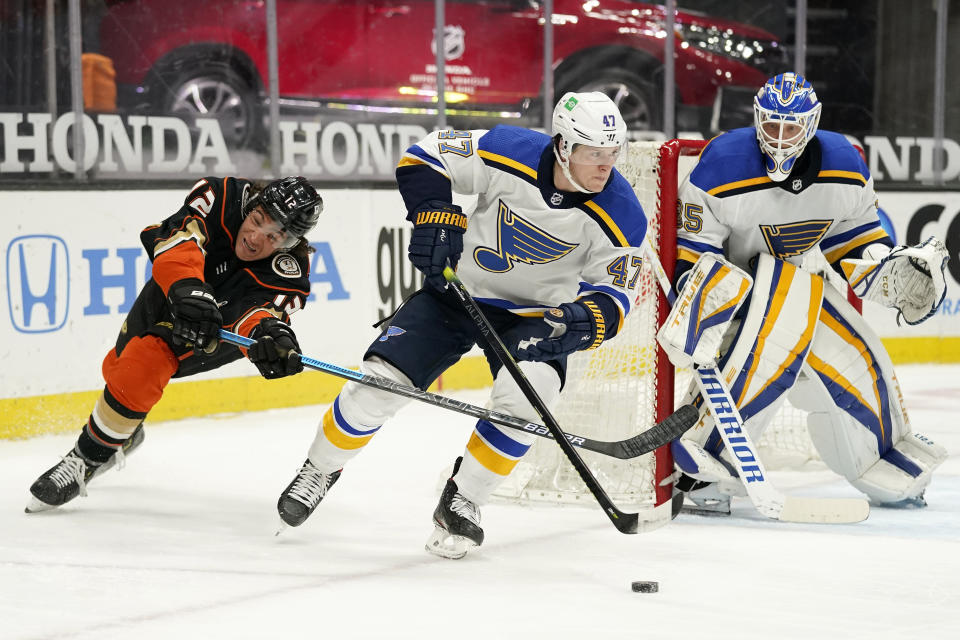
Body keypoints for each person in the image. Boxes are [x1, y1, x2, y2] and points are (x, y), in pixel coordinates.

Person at [274, 92, 649, 558]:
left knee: (526, 404)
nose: (606, 166)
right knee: (379, 385)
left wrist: (584, 319)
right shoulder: (508, 148)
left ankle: (465, 498)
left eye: (613, 154)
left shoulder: (622, 210)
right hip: (457, 293)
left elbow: (617, 291)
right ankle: (320, 468)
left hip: (536, 317)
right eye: (594, 153)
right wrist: (434, 214)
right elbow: (424, 155)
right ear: (563, 146)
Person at [659, 72, 949, 512]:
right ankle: (704, 467)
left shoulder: (844, 166)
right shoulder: (722, 164)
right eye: (770, 126)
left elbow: (854, 239)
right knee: (767, 343)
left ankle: (885, 459)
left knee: (858, 354)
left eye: (789, 128)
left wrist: (882, 267)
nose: (778, 138)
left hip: (792, 285)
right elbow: (694, 254)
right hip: (732, 294)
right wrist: (705, 294)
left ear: (810, 126)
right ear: (757, 120)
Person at [26, 176, 323, 513]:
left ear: (291, 242)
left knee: (142, 366)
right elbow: (180, 238)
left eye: (274, 236)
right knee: (120, 371)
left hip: (215, 332)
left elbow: (259, 313)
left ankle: (86, 457)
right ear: (253, 205)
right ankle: (123, 430)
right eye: (257, 221)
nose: (256, 238)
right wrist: (186, 285)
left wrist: (268, 336)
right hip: (170, 293)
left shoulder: (288, 272)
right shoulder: (221, 196)